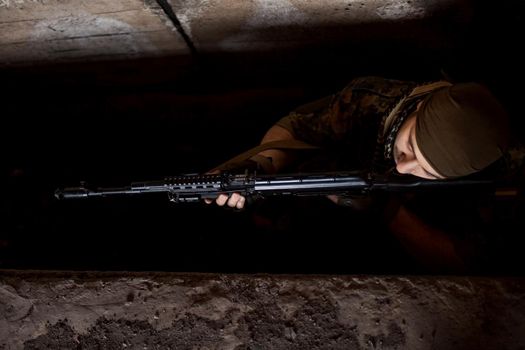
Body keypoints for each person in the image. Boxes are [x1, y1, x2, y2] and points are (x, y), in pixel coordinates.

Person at [206, 75, 522, 273]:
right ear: (419, 105)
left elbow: (470, 265)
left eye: (428, 171)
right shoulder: (371, 99)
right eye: (410, 143)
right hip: (326, 195)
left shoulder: (499, 172)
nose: (403, 167)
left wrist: (386, 211)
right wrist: (262, 165)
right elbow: (298, 124)